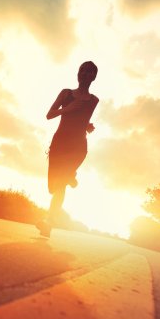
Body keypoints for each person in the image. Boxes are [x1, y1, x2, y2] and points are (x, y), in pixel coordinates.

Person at [36, 61, 99, 237]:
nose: (85, 74)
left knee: (61, 184)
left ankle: (48, 222)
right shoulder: (66, 93)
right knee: (55, 186)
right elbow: (49, 115)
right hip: (59, 143)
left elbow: (81, 119)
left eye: (89, 72)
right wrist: (68, 109)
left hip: (77, 146)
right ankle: (71, 176)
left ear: (94, 77)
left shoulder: (94, 100)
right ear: (78, 73)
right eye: (82, 71)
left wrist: (87, 125)